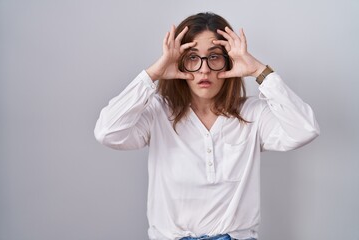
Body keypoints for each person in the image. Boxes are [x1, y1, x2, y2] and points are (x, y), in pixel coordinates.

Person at [94, 12, 320, 240]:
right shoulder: (158, 112)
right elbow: (107, 132)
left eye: (214, 57)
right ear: (179, 62)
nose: (204, 70)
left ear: (229, 61)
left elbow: (305, 129)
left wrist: (259, 71)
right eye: (192, 57)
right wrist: (153, 74)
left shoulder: (253, 113)